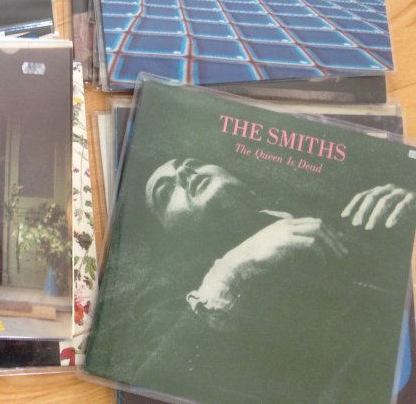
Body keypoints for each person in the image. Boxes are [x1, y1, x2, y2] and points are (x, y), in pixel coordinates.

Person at [121, 157, 416, 402]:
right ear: (168, 234)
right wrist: (232, 271)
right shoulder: (168, 292)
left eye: (192, 164)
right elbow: (149, 388)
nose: (186, 174)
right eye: (166, 191)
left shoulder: (333, 205)